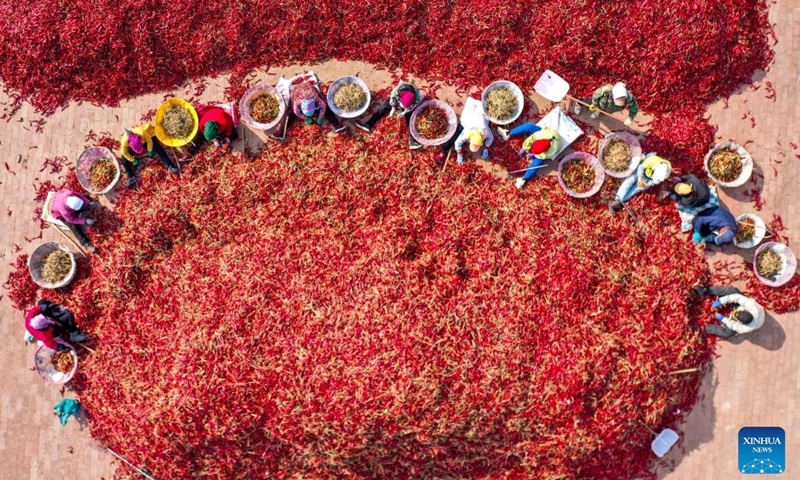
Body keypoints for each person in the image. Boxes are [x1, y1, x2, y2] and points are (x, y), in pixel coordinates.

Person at [356, 81, 423, 149]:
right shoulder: (397, 91)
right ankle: (368, 124)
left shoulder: (417, 97)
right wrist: (393, 108)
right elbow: (392, 99)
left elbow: (413, 106)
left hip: (408, 105)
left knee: (410, 119)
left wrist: (405, 112)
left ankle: (412, 141)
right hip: (398, 100)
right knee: (384, 107)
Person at [496, 123, 561, 189]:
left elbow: (540, 156)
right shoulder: (540, 135)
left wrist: (534, 154)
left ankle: (524, 179)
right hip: (548, 134)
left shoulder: (549, 153)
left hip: (555, 143)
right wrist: (524, 148)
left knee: (537, 163)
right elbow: (530, 139)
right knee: (528, 126)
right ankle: (509, 133)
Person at [120, 123, 180, 188]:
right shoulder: (124, 141)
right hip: (134, 147)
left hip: (145, 141)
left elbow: (149, 141)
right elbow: (124, 152)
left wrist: (149, 150)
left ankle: (170, 166)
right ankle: (131, 177)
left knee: (158, 148)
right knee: (123, 158)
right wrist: (132, 159)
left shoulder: (141, 132)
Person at [694, 286, 765, 339]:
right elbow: (737, 297)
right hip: (745, 307)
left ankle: (705, 327)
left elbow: (733, 325)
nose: (733, 312)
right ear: (745, 310)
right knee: (733, 291)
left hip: (753, 322)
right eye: (736, 312)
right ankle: (706, 290)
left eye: (735, 315)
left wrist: (723, 319)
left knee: (727, 334)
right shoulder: (751, 306)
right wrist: (721, 301)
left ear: (740, 322)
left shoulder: (746, 328)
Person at [574, 82, 639, 126]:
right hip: (602, 101)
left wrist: (630, 118)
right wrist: (594, 103)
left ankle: (598, 112)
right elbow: (595, 95)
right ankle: (579, 105)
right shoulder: (606, 90)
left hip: (611, 108)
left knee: (606, 110)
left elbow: (634, 108)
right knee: (588, 101)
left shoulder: (629, 98)